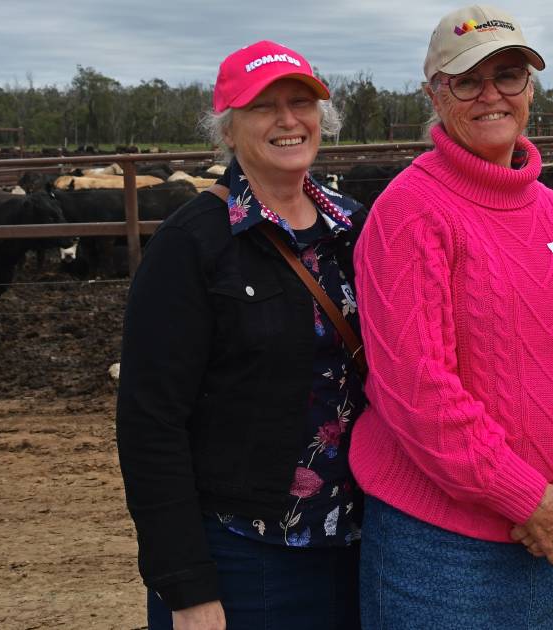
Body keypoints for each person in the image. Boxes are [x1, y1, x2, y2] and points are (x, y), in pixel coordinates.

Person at [348, 5, 553, 629]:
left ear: (530, 90)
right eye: (466, 79)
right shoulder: (411, 213)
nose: (491, 95)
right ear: (436, 93)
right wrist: (529, 498)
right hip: (440, 552)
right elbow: (419, 391)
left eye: (508, 75)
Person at [116, 40, 367, 630]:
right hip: (243, 549)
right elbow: (150, 421)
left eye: (301, 102)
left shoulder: (356, 226)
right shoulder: (192, 243)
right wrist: (187, 587)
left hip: (360, 540)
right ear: (228, 130)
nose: (287, 121)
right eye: (262, 107)